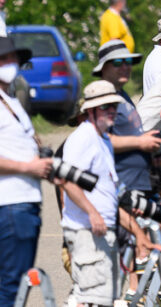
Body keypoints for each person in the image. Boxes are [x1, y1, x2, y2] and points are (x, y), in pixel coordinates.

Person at [0, 36, 55, 307]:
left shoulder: (8, 98)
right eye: (2, 59)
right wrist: (28, 167)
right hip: (8, 207)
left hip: (22, 205)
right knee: (12, 288)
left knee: (18, 289)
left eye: (12, 58)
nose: (9, 64)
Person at [92, 40, 161, 287]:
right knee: (130, 254)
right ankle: (132, 296)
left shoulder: (121, 95)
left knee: (141, 246)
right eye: (118, 63)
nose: (126, 68)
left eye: (129, 62)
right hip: (122, 183)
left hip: (138, 182)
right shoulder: (102, 95)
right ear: (104, 68)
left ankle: (138, 294)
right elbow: (100, 139)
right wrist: (139, 143)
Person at [59, 80, 124, 307]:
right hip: (87, 230)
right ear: (91, 110)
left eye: (114, 106)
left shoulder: (102, 138)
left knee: (101, 297)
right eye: (105, 107)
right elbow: (67, 180)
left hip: (101, 229)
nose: (111, 111)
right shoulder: (83, 137)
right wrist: (93, 213)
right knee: (91, 299)